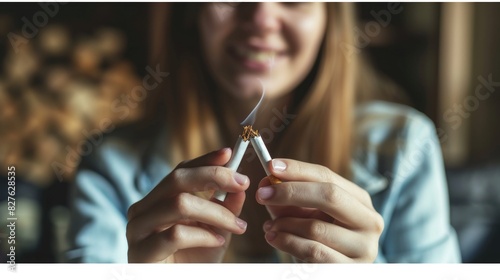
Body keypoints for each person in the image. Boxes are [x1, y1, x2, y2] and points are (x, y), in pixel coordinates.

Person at [66, 3, 461, 263]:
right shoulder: (111, 165)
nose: (261, 17)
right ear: (192, 13)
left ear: (329, 17)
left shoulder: (403, 145)